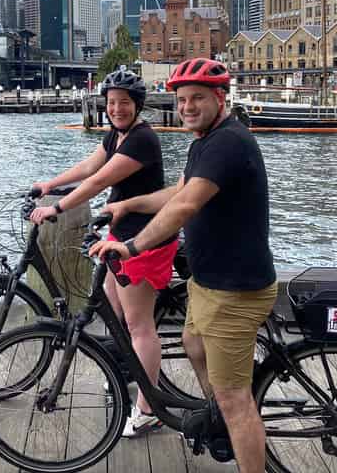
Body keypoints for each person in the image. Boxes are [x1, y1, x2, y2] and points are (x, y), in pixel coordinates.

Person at [89, 58, 277, 473]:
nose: (188, 106)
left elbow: (187, 206)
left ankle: (234, 429)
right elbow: (177, 192)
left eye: (197, 98)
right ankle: (220, 420)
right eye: (182, 99)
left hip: (235, 289)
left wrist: (132, 246)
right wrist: (126, 205)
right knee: (192, 345)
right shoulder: (205, 142)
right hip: (210, 283)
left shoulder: (227, 143)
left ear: (220, 97)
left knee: (236, 400)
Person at [29, 66, 178, 438]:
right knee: (117, 312)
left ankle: (149, 409)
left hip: (142, 239)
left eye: (124, 103)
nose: (116, 109)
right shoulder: (118, 135)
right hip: (119, 234)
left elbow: (98, 182)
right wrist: (51, 183)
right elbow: (88, 166)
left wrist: (56, 208)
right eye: (111, 103)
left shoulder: (142, 140)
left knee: (139, 325)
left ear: (137, 105)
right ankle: (130, 372)